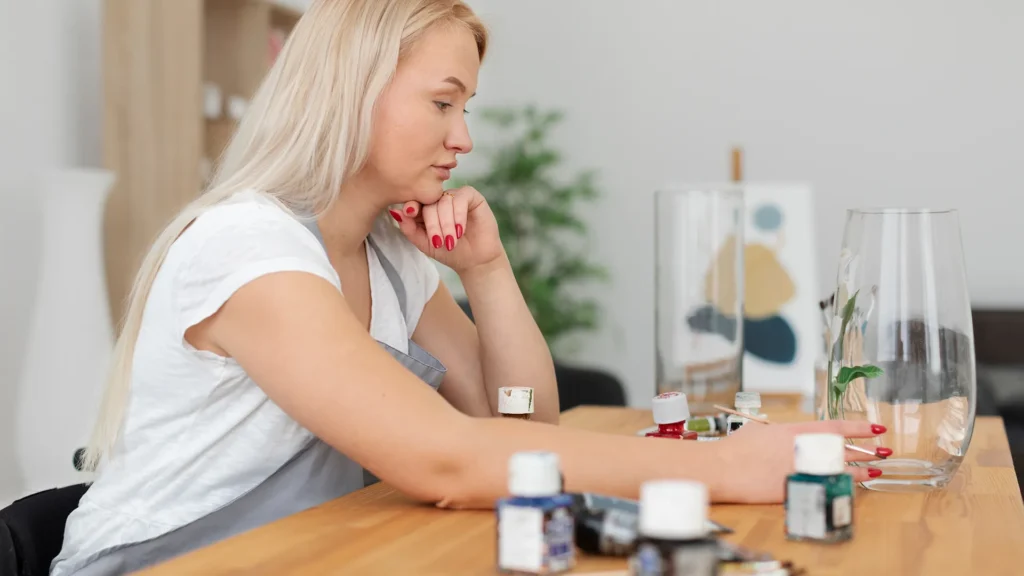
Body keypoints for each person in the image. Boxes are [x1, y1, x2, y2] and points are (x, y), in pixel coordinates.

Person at [51, 0, 889, 573]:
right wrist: (726, 467)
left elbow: (519, 425)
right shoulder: (247, 247)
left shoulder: (392, 259)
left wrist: (487, 270)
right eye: (444, 104)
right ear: (353, 92)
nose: (466, 138)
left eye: (467, 108)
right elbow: (447, 458)